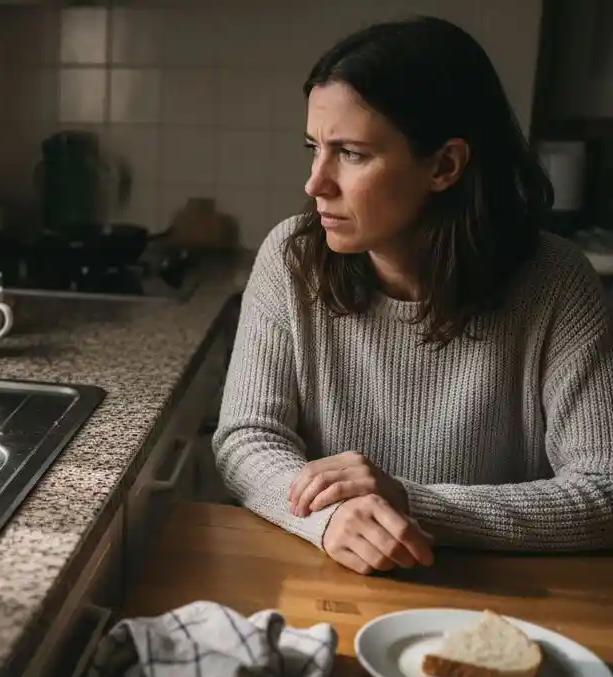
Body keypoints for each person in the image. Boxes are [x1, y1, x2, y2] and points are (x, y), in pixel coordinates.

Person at [213, 16, 613, 575]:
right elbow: (245, 438)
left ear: (445, 165)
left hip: (493, 597)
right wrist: (326, 520)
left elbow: (604, 491)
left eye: (351, 153)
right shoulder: (291, 259)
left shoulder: (557, 283)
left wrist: (413, 503)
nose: (315, 182)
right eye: (315, 147)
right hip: (325, 582)